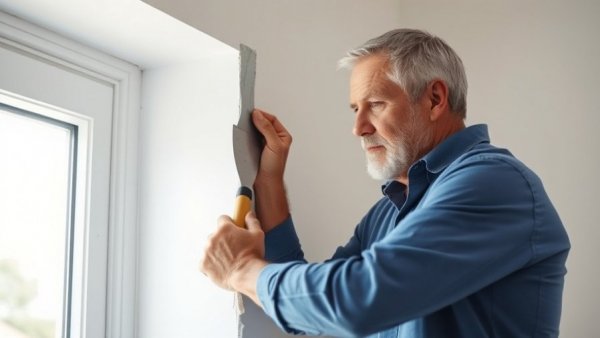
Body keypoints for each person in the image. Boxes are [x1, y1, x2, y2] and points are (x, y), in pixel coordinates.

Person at [199, 29, 570, 337]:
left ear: (435, 99)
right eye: (355, 109)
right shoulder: (387, 212)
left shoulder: (496, 184)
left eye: (375, 104)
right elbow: (319, 316)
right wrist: (269, 180)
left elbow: (354, 301)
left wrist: (240, 269)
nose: (358, 128)